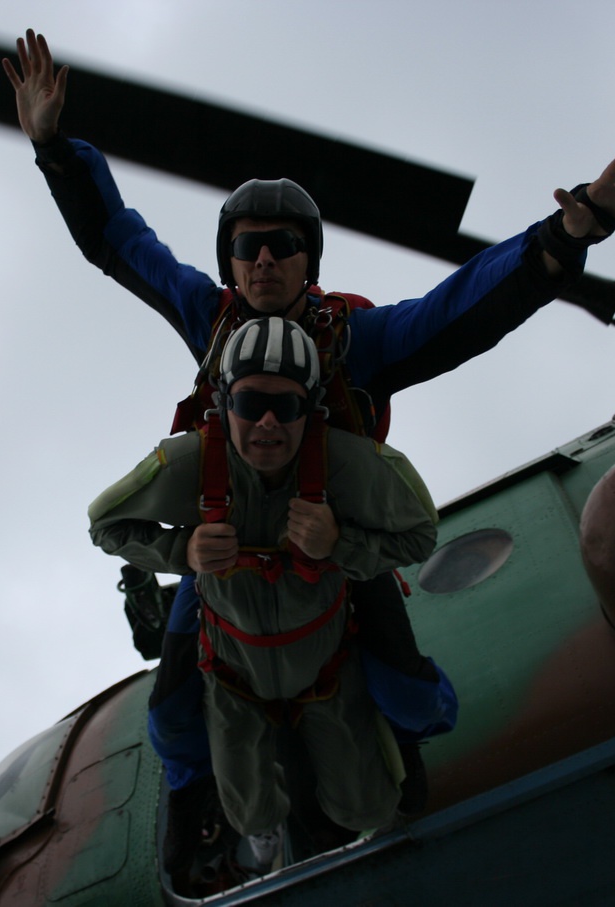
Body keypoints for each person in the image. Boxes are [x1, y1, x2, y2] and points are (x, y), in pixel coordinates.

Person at [4, 24, 615, 832]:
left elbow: (460, 309)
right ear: (229, 262)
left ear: (307, 261)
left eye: (282, 245)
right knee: (174, 710)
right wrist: (54, 151)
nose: (263, 260)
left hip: (336, 545)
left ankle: (399, 761)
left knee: (404, 688)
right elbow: (121, 242)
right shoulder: (208, 318)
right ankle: (203, 810)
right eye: (247, 247)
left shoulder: (358, 340)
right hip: (225, 547)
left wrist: (561, 238)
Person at [89, 317, 439, 876]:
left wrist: (339, 543)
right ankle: (242, 820)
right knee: (245, 807)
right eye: (251, 403)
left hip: (327, 671)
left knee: (368, 805)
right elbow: (105, 524)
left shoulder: (349, 465)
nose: (268, 422)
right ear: (225, 403)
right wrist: (184, 551)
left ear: (312, 409)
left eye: (287, 405)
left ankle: (398, 764)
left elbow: (419, 535)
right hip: (233, 677)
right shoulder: (191, 464)